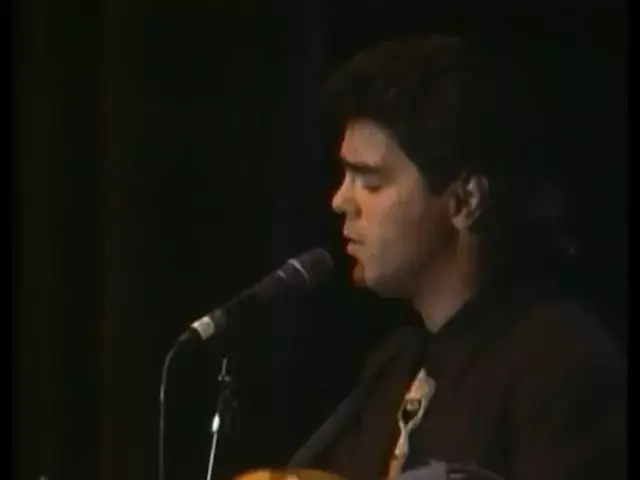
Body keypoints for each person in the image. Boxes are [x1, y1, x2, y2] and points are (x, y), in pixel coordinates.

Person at [284, 35, 627, 480]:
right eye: (345, 177)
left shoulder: (559, 363)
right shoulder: (394, 365)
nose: (340, 201)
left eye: (371, 182)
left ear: (465, 200)